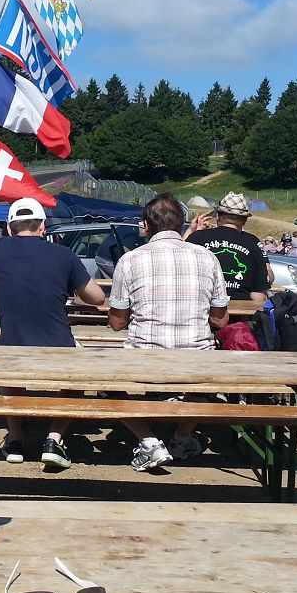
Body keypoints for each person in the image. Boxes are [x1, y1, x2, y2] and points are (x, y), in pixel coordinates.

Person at [0, 197, 105, 470]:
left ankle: (16, 439)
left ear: (9, 228)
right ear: (43, 226)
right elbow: (97, 297)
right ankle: (54, 438)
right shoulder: (64, 255)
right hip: (58, 346)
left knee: (8, 370)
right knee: (76, 376)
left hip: (13, 345)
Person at [109, 195, 228, 471]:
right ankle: (182, 438)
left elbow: (116, 323)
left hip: (144, 360)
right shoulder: (207, 258)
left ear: (146, 225)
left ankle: (149, 440)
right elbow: (220, 320)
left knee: (104, 387)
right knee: (203, 384)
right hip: (196, 360)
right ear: (181, 223)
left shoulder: (129, 260)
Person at [183, 192, 272, 303]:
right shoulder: (253, 243)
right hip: (240, 309)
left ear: (218, 216)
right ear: (244, 220)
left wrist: (191, 230)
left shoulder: (197, 238)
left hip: (202, 307)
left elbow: (176, 259)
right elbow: (258, 295)